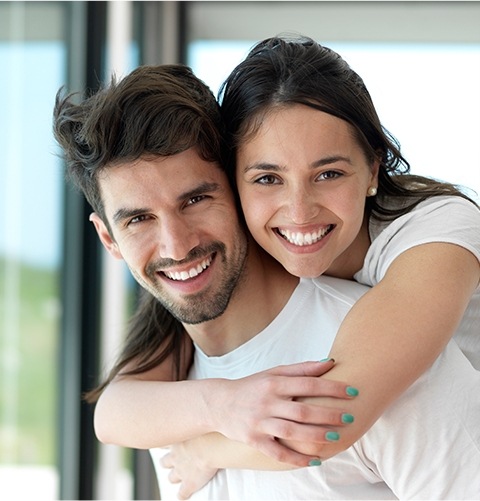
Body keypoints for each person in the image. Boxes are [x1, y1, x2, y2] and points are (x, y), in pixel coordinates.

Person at [52, 59, 480, 500]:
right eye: (139, 219)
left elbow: (323, 428)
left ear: (235, 192)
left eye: (196, 199)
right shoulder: (171, 402)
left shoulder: (392, 351)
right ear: (109, 239)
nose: (176, 247)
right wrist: (214, 414)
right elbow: (111, 414)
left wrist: (204, 448)